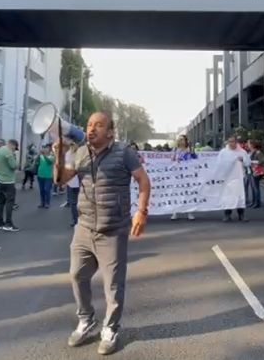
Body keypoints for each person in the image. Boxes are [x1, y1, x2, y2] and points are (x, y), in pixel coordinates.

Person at [53, 112, 151, 356]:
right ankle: (86, 320)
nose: (91, 129)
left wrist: (141, 212)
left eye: (98, 125)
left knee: (113, 286)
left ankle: (110, 328)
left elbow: (143, 181)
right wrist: (59, 154)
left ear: (110, 132)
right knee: (77, 275)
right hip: (84, 228)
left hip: (113, 230)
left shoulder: (124, 153)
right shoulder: (79, 153)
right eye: (89, 125)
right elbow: (62, 180)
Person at [219, 135, 251, 222]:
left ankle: (241, 215)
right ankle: (227, 215)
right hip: (228, 178)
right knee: (228, 196)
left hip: (239, 178)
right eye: (229, 142)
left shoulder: (242, 152)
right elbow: (219, 164)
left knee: (240, 196)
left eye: (233, 141)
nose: (231, 143)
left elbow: (248, 163)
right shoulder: (223, 152)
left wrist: (243, 160)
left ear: (236, 142)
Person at [0, 139, 20, 232]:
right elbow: (13, 165)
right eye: (15, 148)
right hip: (8, 180)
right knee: (10, 202)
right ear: (12, 145)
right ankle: (8, 224)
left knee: (1, 202)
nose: (14, 150)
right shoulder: (8, 153)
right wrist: (15, 159)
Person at [170, 135, 196, 221]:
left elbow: (195, 160)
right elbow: (171, 161)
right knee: (176, 193)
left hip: (187, 175)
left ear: (186, 141)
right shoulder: (175, 150)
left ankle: (189, 212)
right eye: (179, 140)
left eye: (183, 140)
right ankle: (175, 212)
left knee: (188, 193)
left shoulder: (189, 150)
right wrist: (175, 160)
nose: (181, 141)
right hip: (177, 174)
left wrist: (192, 153)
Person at [246, 140, 264, 209]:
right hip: (251, 171)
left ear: (252, 145)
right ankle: (254, 201)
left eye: (248, 144)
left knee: (256, 187)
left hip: (256, 171)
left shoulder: (258, 152)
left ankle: (257, 202)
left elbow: (263, 161)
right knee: (253, 187)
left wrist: (253, 162)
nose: (247, 145)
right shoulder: (250, 152)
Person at [65, 142, 80, 227]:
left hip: (75, 181)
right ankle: (76, 219)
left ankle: (76, 220)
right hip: (74, 181)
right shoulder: (80, 153)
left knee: (74, 202)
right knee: (75, 202)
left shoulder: (69, 154)